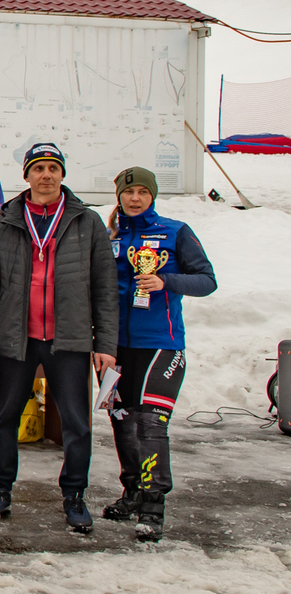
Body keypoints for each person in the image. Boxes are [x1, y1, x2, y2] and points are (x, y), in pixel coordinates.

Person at [0, 142, 119, 533]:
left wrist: (105, 344)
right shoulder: (6, 221)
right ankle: (1, 489)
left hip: (69, 340)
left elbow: (105, 287)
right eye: (38, 168)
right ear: (26, 175)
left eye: (53, 168)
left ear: (62, 174)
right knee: (4, 419)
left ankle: (74, 495)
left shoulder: (86, 222)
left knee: (77, 423)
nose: (46, 175)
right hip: (16, 340)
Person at [102, 166, 216, 541]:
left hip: (161, 345)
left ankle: (153, 506)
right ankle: (132, 490)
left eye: (142, 192)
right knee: (120, 418)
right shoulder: (109, 235)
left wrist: (165, 280)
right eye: (128, 192)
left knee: (151, 422)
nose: (135, 198)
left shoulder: (175, 231)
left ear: (152, 196)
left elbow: (207, 280)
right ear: (118, 195)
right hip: (115, 346)